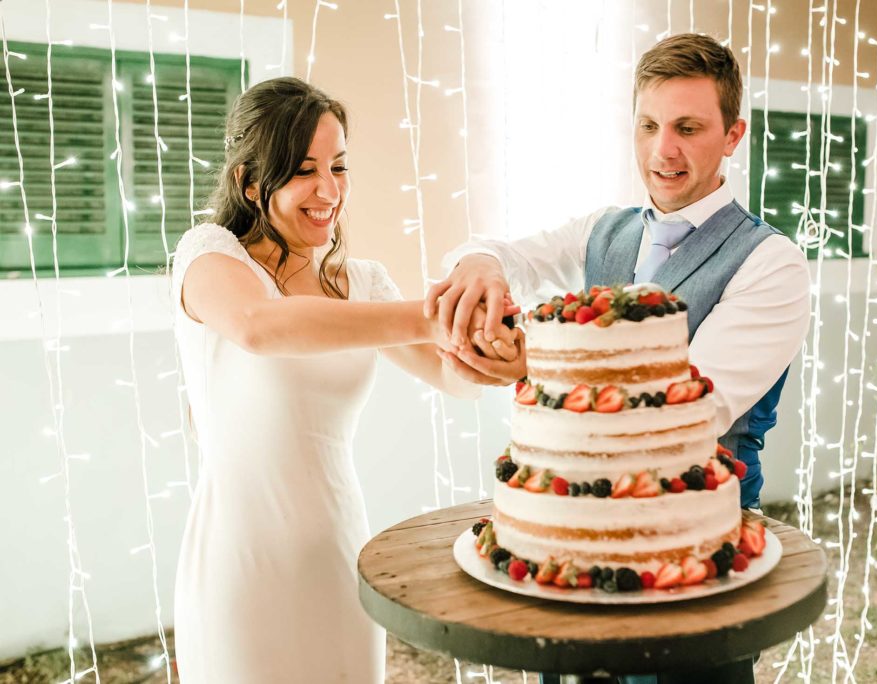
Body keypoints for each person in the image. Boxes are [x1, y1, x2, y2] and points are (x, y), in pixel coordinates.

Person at [426, 33, 811, 684]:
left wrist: (532, 367)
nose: (664, 150)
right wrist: (481, 267)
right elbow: (504, 251)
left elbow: (692, 406)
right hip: (571, 550)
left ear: (733, 134)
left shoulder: (772, 263)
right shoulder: (605, 229)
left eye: (689, 127)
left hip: (693, 556)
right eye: (650, 125)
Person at [170, 77, 518, 683]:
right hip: (240, 568)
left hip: (337, 554)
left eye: (338, 166)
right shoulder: (209, 256)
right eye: (305, 170)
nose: (328, 190)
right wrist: (433, 314)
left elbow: (451, 376)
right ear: (251, 183)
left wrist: (496, 354)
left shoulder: (364, 284)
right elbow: (262, 326)